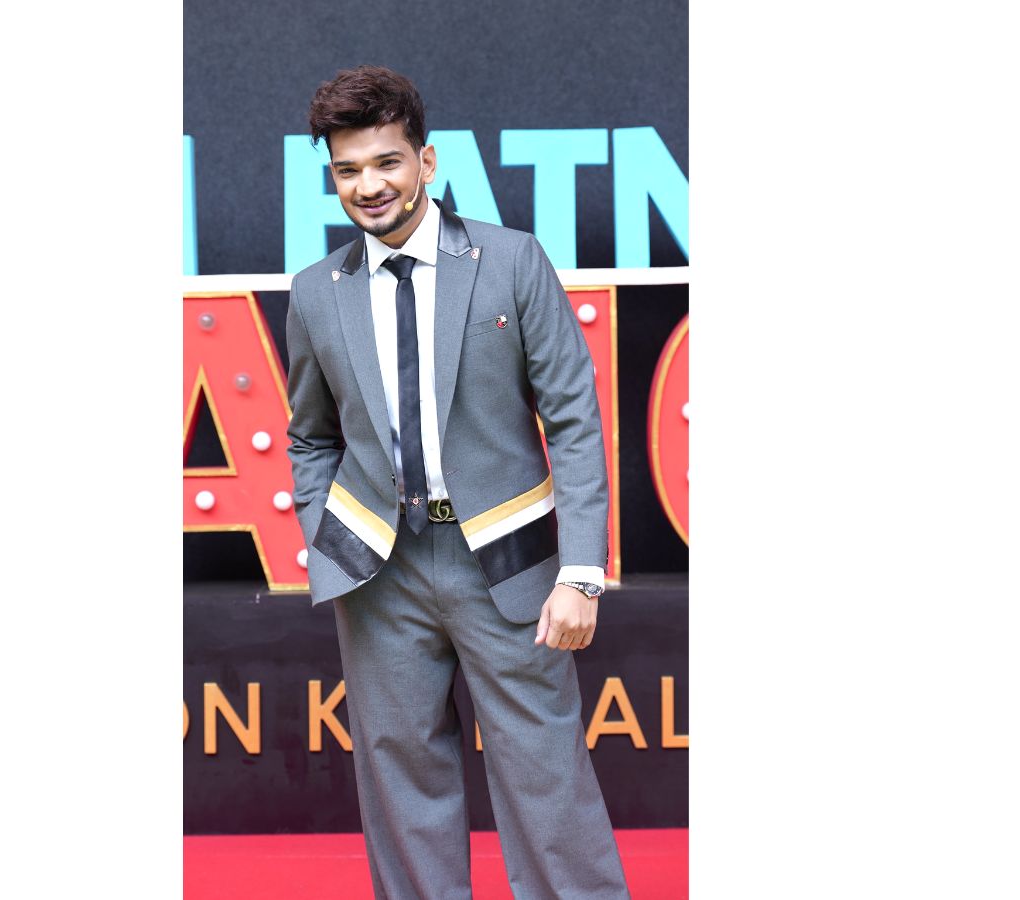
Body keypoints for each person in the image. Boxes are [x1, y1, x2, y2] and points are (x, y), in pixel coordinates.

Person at [285, 65, 629, 899]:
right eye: (347, 170)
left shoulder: (511, 261)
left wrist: (582, 572)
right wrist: (329, 537)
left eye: (386, 162)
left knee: (546, 775)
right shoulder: (316, 293)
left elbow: (575, 422)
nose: (369, 186)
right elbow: (309, 436)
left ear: (427, 161)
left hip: (507, 562)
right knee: (401, 785)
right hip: (380, 570)